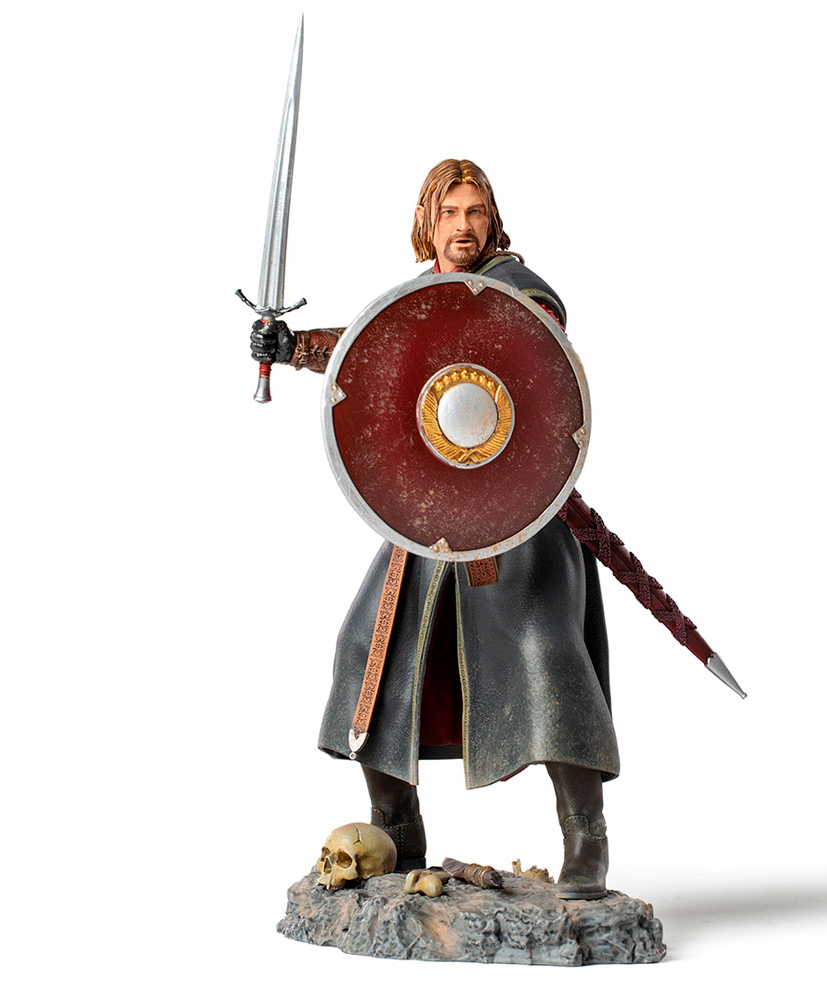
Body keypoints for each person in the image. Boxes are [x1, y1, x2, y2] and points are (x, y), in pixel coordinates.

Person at [251, 159, 618, 899]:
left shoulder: (522, 290)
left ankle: (586, 837)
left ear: (492, 222)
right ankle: (397, 826)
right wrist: (293, 348)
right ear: (428, 221)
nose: (463, 226)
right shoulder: (421, 298)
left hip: (515, 524)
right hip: (429, 527)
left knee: (546, 656)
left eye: (475, 212)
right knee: (367, 651)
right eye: (449, 212)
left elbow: (535, 345)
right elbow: (373, 350)